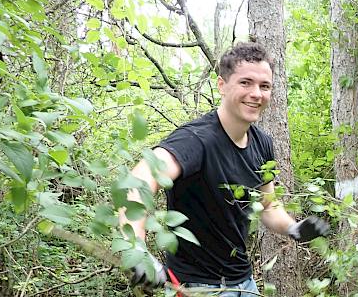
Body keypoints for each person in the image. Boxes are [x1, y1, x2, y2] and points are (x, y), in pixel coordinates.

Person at [119, 42, 330, 296]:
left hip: (245, 283)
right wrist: (136, 247)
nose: (256, 93)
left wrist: (292, 228)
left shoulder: (262, 143)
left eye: (265, 86)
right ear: (221, 85)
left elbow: (268, 205)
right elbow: (138, 181)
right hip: (196, 288)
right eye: (245, 83)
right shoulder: (196, 140)